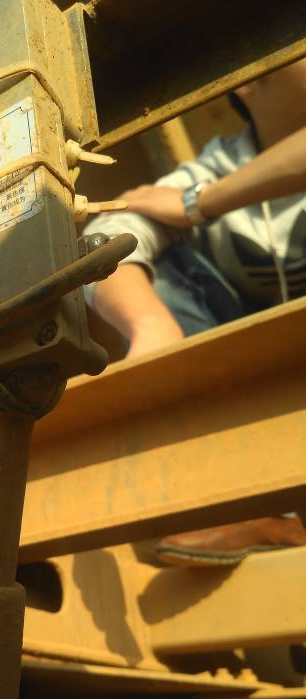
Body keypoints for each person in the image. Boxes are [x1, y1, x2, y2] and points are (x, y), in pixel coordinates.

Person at [83, 58, 306, 565]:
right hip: (260, 390)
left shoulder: (206, 186)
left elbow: (188, 201)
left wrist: (200, 202)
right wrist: (150, 326)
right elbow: (106, 237)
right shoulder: (220, 161)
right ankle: (254, 507)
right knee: (153, 266)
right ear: (249, 80)